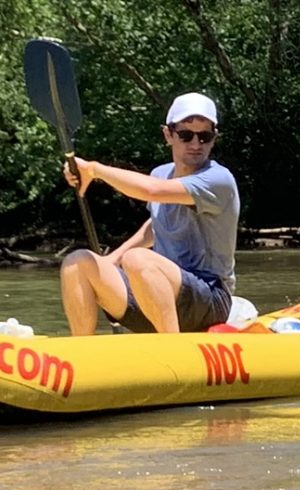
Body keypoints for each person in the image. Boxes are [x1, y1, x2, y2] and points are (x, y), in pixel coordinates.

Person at [58, 91, 239, 335]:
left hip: (211, 298)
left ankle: (173, 354)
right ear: (168, 134)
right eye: (186, 135)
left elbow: (151, 191)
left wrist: (94, 170)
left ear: (213, 138)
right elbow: (155, 225)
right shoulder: (160, 172)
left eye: (204, 136)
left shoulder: (218, 180)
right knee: (77, 262)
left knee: (138, 260)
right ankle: (81, 359)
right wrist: (113, 259)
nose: (196, 144)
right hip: (156, 294)